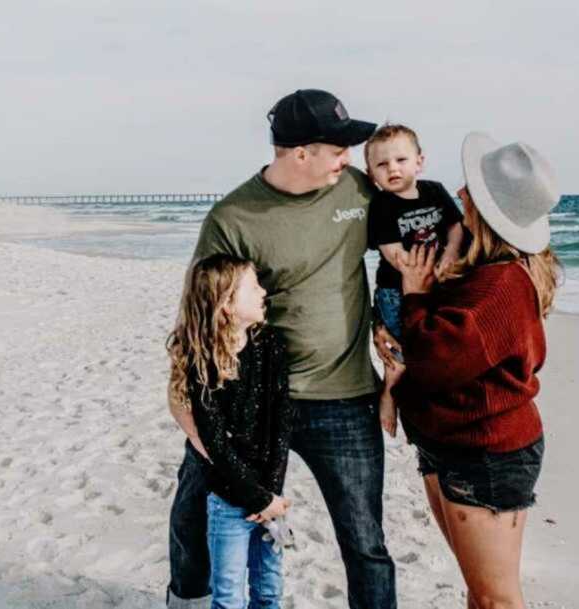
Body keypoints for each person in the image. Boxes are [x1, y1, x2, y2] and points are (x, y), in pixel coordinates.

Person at [168, 89, 396, 609]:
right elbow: (201, 318)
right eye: (338, 147)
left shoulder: (357, 193)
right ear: (299, 153)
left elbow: (410, 245)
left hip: (345, 396)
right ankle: (185, 601)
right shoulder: (235, 217)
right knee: (194, 511)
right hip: (251, 399)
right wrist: (187, 405)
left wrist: (394, 332)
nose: (348, 157)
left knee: (365, 540)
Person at [391, 133, 563, 609]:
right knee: (480, 592)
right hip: (454, 441)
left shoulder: (499, 285)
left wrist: (416, 293)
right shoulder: (482, 266)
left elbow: (434, 359)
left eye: (472, 190)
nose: (460, 194)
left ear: (487, 212)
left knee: (495, 598)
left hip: (485, 452)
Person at [166, 254, 294, 609]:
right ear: (226, 305)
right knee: (228, 596)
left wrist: (271, 493)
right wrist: (255, 497)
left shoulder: (270, 345)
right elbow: (213, 441)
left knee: (269, 589)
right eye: (253, 287)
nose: (263, 292)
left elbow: (282, 420)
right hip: (227, 496)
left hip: (269, 492)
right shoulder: (202, 362)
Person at [364, 123, 463, 437]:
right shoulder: (382, 205)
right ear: (371, 174)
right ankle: (389, 394)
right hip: (396, 290)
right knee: (400, 353)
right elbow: (393, 251)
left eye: (401, 160)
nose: (392, 168)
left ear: (419, 161)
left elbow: (456, 228)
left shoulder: (434, 190)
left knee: (432, 350)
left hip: (435, 284)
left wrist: (449, 255)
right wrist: (418, 271)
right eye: (382, 164)